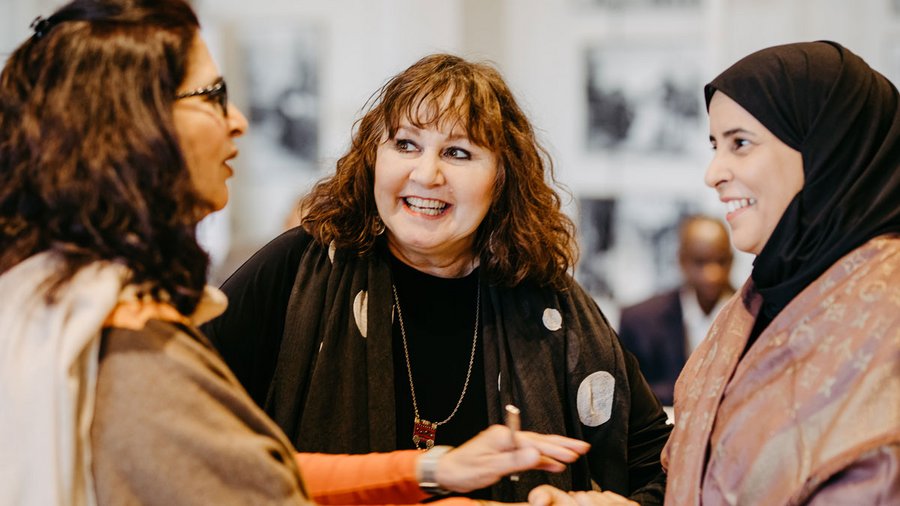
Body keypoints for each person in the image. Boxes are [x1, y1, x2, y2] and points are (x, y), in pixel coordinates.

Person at [0, 1, 591, 505]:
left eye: (459, 153)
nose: (239, 121)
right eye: (212, 96)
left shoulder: (79, 302)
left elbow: (257, 470)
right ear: (132, 125)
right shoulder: (118, 336)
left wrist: (429, 469)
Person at [203, 53, 672, 504]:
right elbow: (193, 427)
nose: (426, 174)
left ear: (503, 177)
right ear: (372, 158)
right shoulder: (297, 269)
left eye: (458, 152)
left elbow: (662, 463)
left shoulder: (551, 304)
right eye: (405, 144)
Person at [659, 41, 900, 504]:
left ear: (826, 146)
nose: (713, 172)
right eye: (714, 145)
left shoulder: (886, 306)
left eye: (740, 143)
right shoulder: (757, 298)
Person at [617, 215, 734, 405]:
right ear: (682, 260)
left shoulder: (755, 315)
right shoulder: (638, 320)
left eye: (721, 261)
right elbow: (628, 391)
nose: (712, 275)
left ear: (731, 260)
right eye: (700, 262)